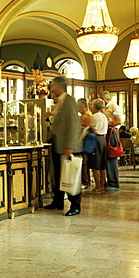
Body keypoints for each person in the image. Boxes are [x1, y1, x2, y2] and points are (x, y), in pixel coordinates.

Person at [43, 76, 82, 216]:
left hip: (67, 146)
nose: (51, 89)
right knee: (58, 175)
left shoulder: (69, 101)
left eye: (53, 86)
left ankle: (75, 205)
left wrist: (69, 146)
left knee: (71, 175)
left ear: (60, 86)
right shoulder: (60, 102)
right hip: (58, 144)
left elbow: (72, 125)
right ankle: (58, 201)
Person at [99, 91, 122, 191]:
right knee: (106, 157)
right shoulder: (105, 108)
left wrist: (105, 123)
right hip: (106, 131)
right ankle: (109, 181)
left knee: (111, 156)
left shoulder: (113, 107)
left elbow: (119, 121)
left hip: (112, 132)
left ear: (104, 99)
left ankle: (114, 183)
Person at [87, 99, 108, 194]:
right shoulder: (104, 116)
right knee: (102, 165)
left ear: (95, 106)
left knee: (95, 165)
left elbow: (94, 129)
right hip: (103, 140)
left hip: (95, 139)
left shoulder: (94, 116)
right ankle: (103, 185)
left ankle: (97, 187)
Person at [77, 98, 92, 189]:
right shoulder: (83, 116)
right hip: (83, 141)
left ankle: (85, 181)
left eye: (80, 107)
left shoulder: (86, 116)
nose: (78, 108)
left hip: (83, 141)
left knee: (83, 162)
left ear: (85, 107)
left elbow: (85, 128)